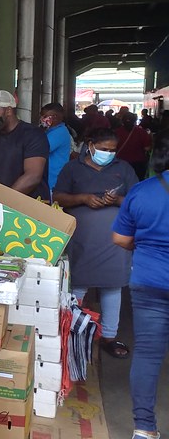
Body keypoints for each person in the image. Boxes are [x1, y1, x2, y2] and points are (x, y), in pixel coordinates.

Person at [53, 129, 137, 359]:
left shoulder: (123, 169)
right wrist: (82, 198)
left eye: (112, 150)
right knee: (78, 284)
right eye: (104, 149)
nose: (108, 154)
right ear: (90, 145)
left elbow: (137, 198)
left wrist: (118, 200)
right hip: (82, 237)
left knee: (112, 286)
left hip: (115, 240)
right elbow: (58, 196)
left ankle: (109, 336)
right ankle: (74, 332)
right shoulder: (73, 168)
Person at [111, 131, 169, 439]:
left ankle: (144, 429)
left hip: (149, 281)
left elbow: (120, 237)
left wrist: (147, 246)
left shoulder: (144, 191)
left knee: (148, 354)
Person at [0, 90, 51, 201]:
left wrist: (4, 200)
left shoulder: (33, 135)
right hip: (1, 206)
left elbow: (33, 176)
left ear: (8, 111)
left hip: (32, 208)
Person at [41, 103, 73, 191]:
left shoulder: (59, 132)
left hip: (53, 178)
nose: (42, 119)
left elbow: (41, 149)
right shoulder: (52, 131)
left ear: (54, 117)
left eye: (45, 116)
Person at [116, 112, 153, 181]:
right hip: (138, 162)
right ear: (135, 121)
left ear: (122, 121)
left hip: (120, 161)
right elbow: (147, 148)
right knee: (138, 182)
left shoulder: (116, 132)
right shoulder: (141, 132)